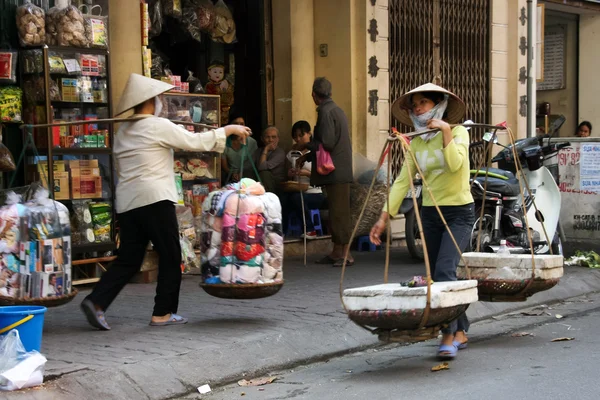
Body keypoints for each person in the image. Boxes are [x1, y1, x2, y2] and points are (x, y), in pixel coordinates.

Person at [81, 73, 250, 331]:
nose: (161, 101)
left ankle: (97, 301)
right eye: (159, 98)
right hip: (154, 199)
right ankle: (163, 312)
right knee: (171, 255)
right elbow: (194, 142)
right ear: (151, 101)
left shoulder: (122, 131)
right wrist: (228, 130)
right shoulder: (157, 126)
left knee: (129, 258)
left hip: (128, 202)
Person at [369, 83, 474, 360]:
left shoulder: (460, 132)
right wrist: (383, 217)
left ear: (439, 106)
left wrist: (447, 132)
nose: (418, 109)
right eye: (414, 105)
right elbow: (403, 180)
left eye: (424, 103)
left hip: (459, 213)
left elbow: (454, 165)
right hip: (430, 214)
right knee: (443, 275)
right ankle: (461, 329)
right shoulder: (415, 141)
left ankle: (448, 335)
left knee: (444, 271)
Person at [297, 77, 353, 267]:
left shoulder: (326, 112)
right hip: (337, 170)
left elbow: (327, 143)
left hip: (336, 172)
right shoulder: (335, 109)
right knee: (336, 213)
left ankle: (346, 254)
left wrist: (307, 145)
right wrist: (309, 155)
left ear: (314, 94)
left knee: (339, 214)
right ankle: (337, 252)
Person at [283, 120, 325, 238]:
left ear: (309, 134)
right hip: (296, 190)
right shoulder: (291, 153)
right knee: (284, 199)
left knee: (296, 198)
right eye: (295, 136)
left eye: (301, 135)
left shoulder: (316, 152)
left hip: (315, 193)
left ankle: (310, 230)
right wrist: (291, 173)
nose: (298, 139)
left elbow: (323, 176)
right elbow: (287, 174)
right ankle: (282, 232)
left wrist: (306, 173)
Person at [222, 114, 258, 183]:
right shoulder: (224, 142)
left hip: (246, 172)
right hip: (230, 173)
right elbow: (224, 165)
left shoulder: (251, 142)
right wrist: (233, 174)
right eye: (236, 124)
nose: (239, 126)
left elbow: (251, 164)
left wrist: (241, 174)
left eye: (242, 124)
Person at [254, 126, 286, 193]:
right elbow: (250, 166)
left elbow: (262, 167)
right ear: (262, 139)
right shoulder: (258, 151)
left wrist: (266, 149)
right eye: (267, 137)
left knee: (264, 174)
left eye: (273, 137)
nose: (270, 140)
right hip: (259, 182)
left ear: (278, 139)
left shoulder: (280, 152)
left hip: (275, 185)